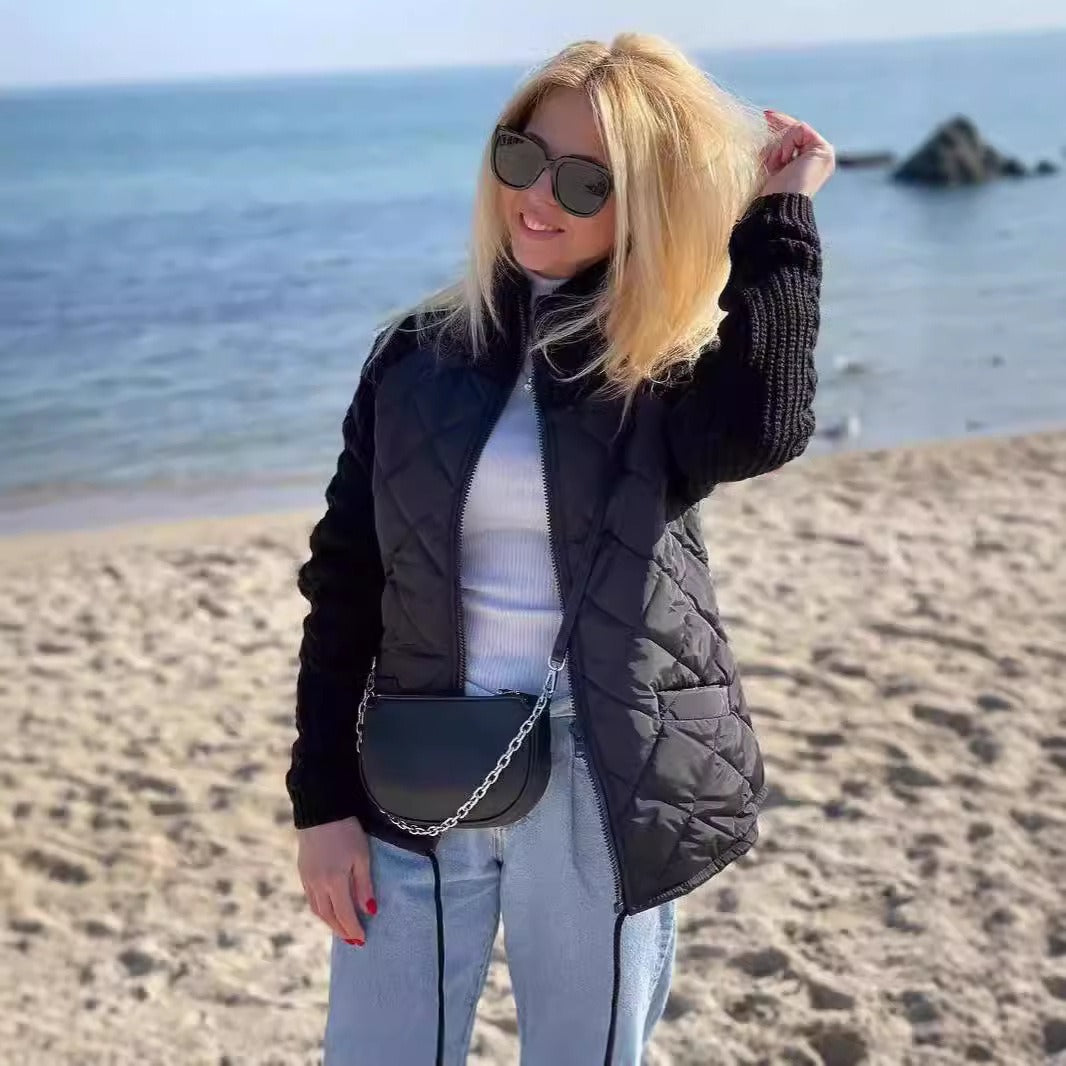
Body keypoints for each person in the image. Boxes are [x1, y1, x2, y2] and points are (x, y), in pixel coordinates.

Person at [286, 32, 833, 1066]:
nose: (540, 197)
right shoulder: (413, 355)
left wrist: (781, 216)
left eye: (590, 180)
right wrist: (320, 802)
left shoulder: (657, 370)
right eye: (522, 158)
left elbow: (767, 422)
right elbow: (343, 581)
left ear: (645, 204)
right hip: (413, 764)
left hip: (598, 771)